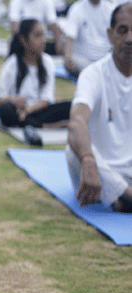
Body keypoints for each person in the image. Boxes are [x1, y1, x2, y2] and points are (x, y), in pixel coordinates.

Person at [65, 2, 132, 213]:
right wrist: (87, 159)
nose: (130, 38)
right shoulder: (93, 75)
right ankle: (125, 195)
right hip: (99, 171)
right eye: (123, 30)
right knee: (74, 150)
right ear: (110, 35)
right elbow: (76, 121)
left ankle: (122, 199)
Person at [0, 19, 71, 146]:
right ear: (24, 40)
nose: (43, 40)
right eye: (37, 36)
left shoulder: (47, 62)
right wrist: (12, 99)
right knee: (5, 111)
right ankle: (45, 126)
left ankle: (33, 123)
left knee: (72, 107)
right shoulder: (12, 63)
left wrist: (29, 109)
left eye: (43, 35)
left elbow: (47, 99)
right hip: (16, 111)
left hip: (37, 111)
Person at [62, 0, 115, 77]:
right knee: (74, 63)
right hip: (82, 60)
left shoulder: (110, 9)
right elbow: (70, 36)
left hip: (104, 59)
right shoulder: (77, 8)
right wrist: (67, 57)